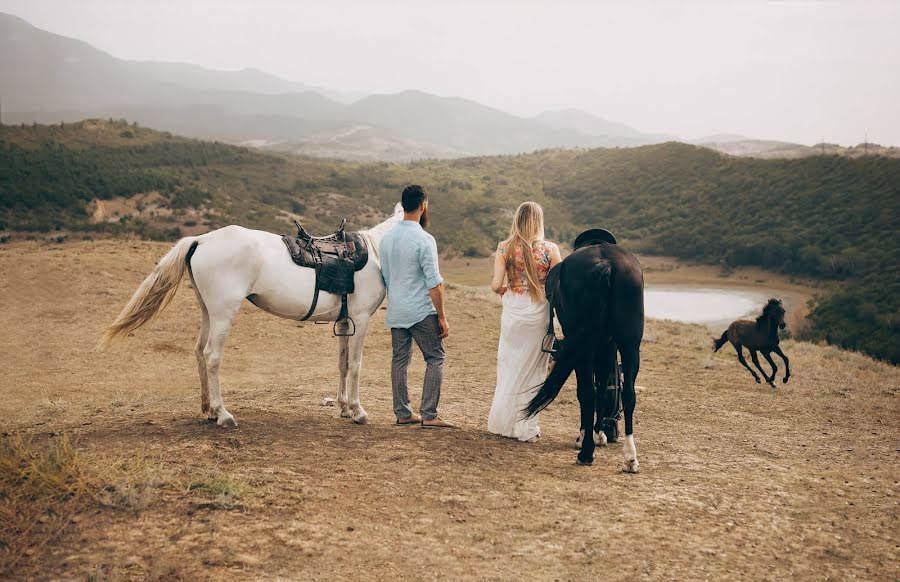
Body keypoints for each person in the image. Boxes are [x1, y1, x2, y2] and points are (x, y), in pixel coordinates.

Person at [380, 185, 455, 428]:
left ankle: (403, 413)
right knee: (436, 357)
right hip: (420, 310)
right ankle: (429, 414)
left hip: (396, 310)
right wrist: (442, 316)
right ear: (423, 205)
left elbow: (386, 277)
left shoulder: (386, 238)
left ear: (403, 206)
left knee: (399, 361)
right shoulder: (424, 239)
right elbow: (435, 284)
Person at [487, 202, 562, 442]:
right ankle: (526, 426)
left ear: (517, 220)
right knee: (534, 370)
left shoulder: (504, 248)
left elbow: (497, 286)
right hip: (539, 314)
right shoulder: (551, 250)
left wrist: (508, 289)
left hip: (513, 313)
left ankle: (503, 423)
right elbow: (558, 288)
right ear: (539, 221)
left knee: (510, 366)